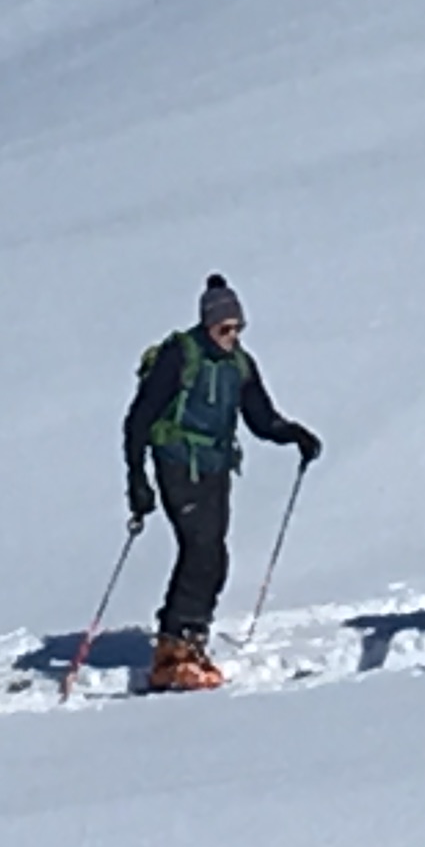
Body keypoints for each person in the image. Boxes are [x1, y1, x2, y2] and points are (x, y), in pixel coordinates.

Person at [122, 274, 321, 692]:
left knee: (215, 556)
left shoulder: (239, 365)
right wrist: (137, 479)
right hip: (177, 462)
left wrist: (295, 434)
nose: (231, 336)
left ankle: (191, 638)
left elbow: (261, 419)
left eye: (237, 329)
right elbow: (139, 418)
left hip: (215, 467)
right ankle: (171, 649)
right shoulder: (180, 355)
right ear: (208, 323)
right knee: (200, 548)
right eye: (224, 328)